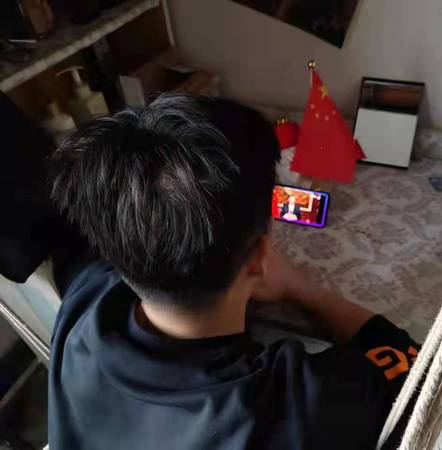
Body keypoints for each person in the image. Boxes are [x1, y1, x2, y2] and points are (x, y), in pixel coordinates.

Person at [48, 93, 418, 450]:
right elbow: (414, 372)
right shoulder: (298, 404)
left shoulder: (84, 298)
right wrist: (302, 288)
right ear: (260, 255)